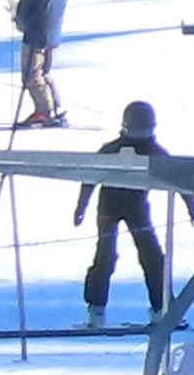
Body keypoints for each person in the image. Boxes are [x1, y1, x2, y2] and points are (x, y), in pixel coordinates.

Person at [78, 97, 187, 326]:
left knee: (151, 256)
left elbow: (179, 177)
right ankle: (96, 309)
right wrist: (81, 206)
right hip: (109, 207)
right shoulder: (111, 149)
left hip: (136, 208)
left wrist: (191, 207)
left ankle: (162, 307)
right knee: (105, 256)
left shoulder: (153, 151)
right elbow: (89, 177)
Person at [10, 0, 69, 128]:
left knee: (32, 75)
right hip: (53, 37)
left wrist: (17, 19)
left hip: (35, 36)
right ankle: (57, 107)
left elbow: (23, 13)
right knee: (45, 73)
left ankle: (43, 112)